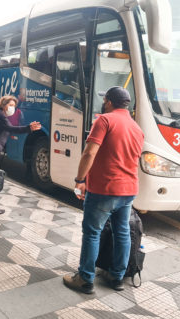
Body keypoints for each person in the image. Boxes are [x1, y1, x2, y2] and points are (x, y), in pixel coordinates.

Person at [63, 86, 144, 294]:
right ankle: (116, 277)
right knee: (122, 232)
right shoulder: (136, 128)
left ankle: (85, 278)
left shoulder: (104, 120)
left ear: (108, 101)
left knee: (92, 232)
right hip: (129, 190)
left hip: (104, 189)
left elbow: (89, 153)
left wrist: (80, 179)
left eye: (105, 100)